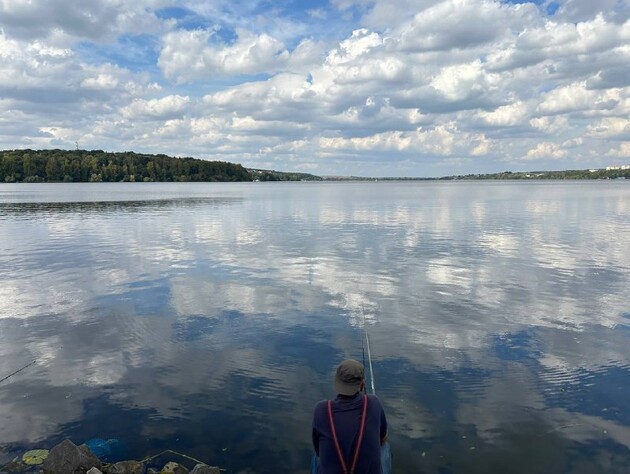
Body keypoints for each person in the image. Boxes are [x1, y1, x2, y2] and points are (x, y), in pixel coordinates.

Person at [311, 359, 390, 474]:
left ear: (337, 382)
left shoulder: (321, 409)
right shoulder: (374, 403)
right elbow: (382, 438)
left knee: (316, 455)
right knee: (385, 447)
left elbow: (318, 449)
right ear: (362, 384)